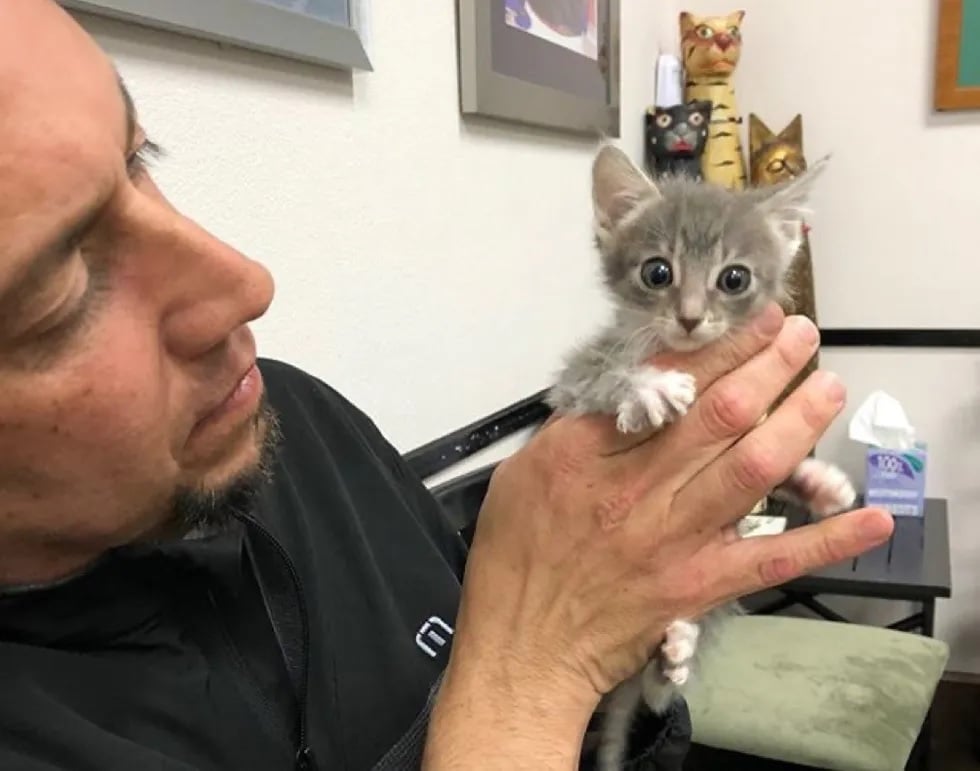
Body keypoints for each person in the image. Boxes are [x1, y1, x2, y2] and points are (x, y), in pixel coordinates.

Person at [0, 2, 894, 770]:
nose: (246, 281)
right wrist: (529, 671)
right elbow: (529, 652)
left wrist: (626, 640)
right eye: (56, 286)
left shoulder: (297, 422)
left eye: (140, 158)